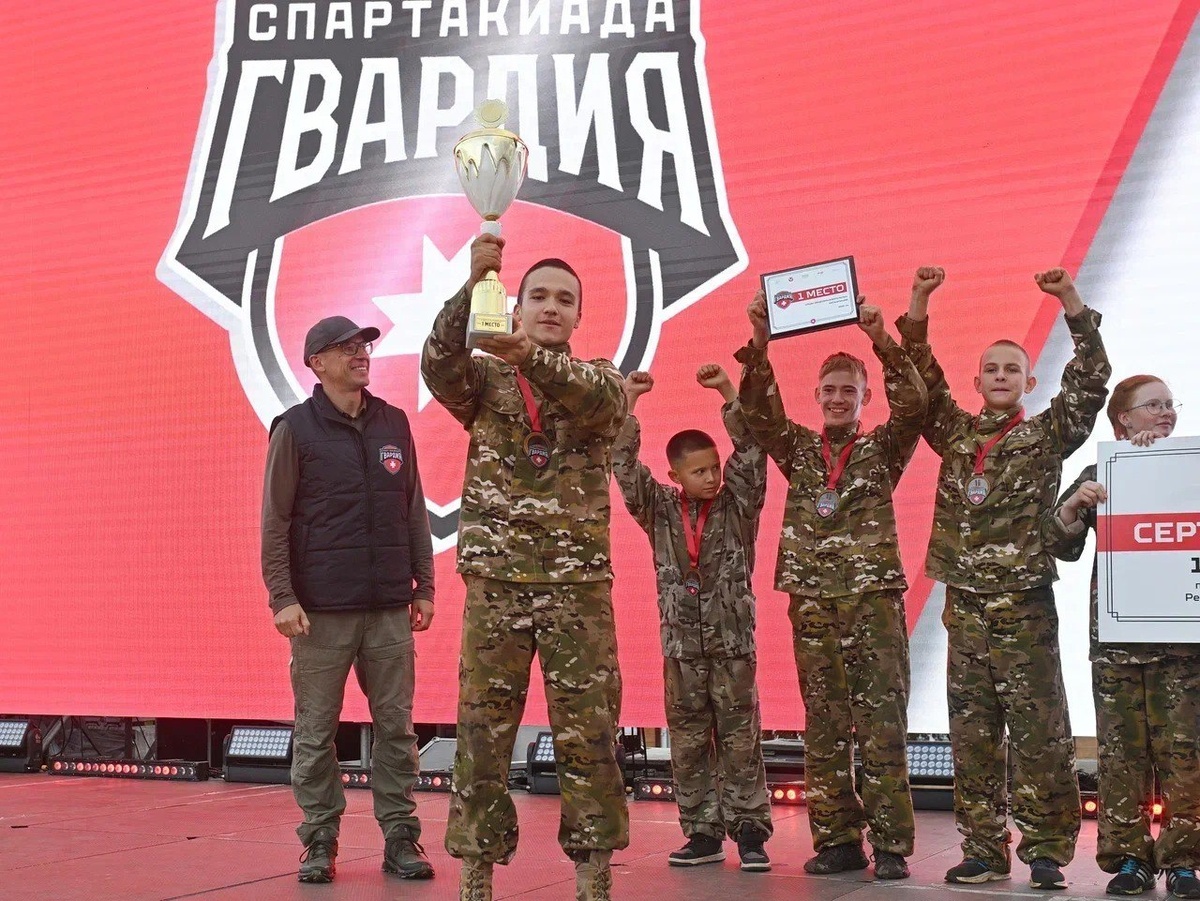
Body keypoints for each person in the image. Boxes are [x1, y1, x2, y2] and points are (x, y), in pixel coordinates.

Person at [420, 234, 628, 901]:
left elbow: (602, 403)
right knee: (482, 732)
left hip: (576, 587)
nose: (551, 307)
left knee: (589, 733)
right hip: (498, 581)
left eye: (565, 300)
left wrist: (528, 357)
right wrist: (471, 283)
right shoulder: (485, 380)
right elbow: (437, 364)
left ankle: (592, 871)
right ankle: (476, 869)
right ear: (515, 307)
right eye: (538, 296)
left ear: (578, 316)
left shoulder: (600, 377)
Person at [899, 266, 1111, 889]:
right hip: (965, 607)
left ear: (1028, 382)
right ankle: (984, 850)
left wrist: (1070, 300)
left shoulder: (1045, 435)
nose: (999, 376)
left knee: (1040, 731)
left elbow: (1090, 382)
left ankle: (1045, 851)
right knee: (973, 735)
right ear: (977, 382)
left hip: (1024, 606)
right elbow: (919, 375)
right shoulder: (954, 432)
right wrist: (919, 300)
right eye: (990, 369)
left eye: (1011, 370)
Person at [735, 296, 927, 880]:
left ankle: (890, 845)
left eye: (850, 390)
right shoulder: (798, 449)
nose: (839, 398)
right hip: (814, 603)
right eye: (830, 390)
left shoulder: (881, 449)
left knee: (882, 725)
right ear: (816, 396)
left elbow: (915, 406)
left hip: (872, 602)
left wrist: (882, 341)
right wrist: (760, 341)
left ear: (866, 398)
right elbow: (758, 412)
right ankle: (838, 840)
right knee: (824, 726)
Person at [261, 315, 436, 884]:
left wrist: (425, 583)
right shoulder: (294, 429)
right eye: (347, 347)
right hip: (320, 613)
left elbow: (412, 507)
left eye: (364, 346)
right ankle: (319, 840)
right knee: (316, 731)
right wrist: (282, 597)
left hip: (388, 607)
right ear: (317, 362)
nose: (361, 353)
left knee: (397, 728)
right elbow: (275, 521)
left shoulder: (393, 422)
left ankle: (401, 837)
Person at [613, 363, 773, 872]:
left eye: (714, 468)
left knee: (740, 740)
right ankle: (703, 832)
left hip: (732, 646)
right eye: (699, 471)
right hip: (681, 650)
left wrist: (726, 391)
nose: (711, 477)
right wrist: (630, 400)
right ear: (675, 476)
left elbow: (752, 451)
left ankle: (750, 832)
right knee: (686, 742)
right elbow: (622, 464)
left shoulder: (738, 505)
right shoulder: (659, 509)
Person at [1045, 376, 1200, 898]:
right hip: (1117, 645)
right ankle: (1129, 859)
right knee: (1121, 756)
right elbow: (1057, 541)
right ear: (1123, 420)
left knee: (1185, 754)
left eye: (1170, 404)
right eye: (1153, 405)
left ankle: (1183, 861)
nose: (1166, 412)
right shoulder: (1103, 472)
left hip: (1182, 648)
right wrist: (1074, 504)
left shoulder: (1193, 468)